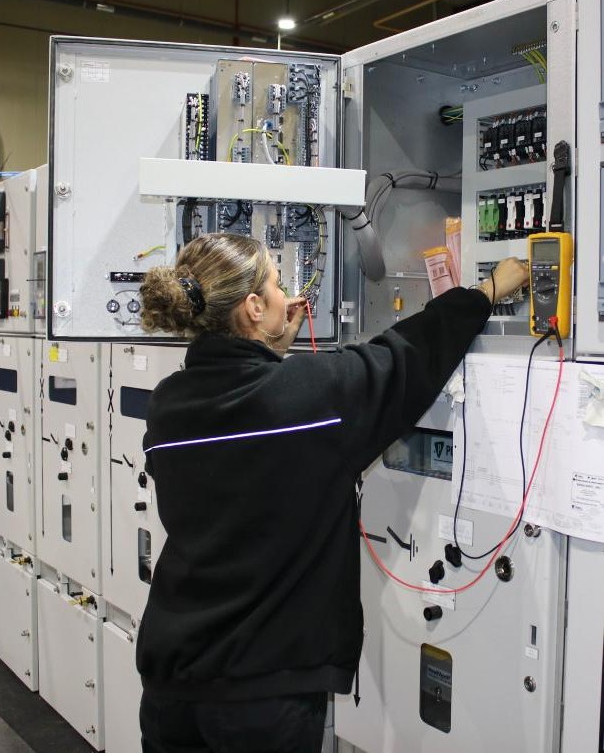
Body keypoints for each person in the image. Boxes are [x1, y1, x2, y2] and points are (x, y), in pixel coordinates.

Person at [136, 232, 529, 753]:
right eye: (275, 283)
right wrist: (487, 290)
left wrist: (270, 348)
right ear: (253, 307)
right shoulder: (308, 396)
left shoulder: (170, 404)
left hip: (172, 681)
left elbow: (242, 437)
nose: (285, 293)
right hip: (264, 691)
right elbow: (405, 357)